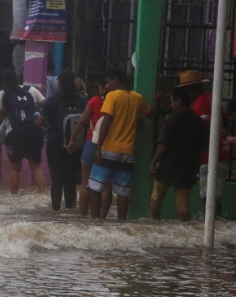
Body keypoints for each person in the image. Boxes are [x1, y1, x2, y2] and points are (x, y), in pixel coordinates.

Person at [88, 69, 151, 220]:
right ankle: (121, 224)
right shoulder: (137, 98)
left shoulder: (112, 96)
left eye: (108, 81)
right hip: (128, 152)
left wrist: (98, 148)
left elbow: (106, 122)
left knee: (94, 187)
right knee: (123, 193)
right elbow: (149, 114)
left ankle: (96, 223)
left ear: (116, 81)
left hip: (109, 149)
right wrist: (156, 101)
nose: (107, 85)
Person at [149, 88, 207, 221]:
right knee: (182, 206)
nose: (170, 105)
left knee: (156, 199)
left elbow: (163, 145)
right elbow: (202, 150)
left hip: (167, 167)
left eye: (172, 102)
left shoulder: (173, 119)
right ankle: (185, 232)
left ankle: (153, 227)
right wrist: (195, 168)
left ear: (179, 102)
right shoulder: (199, 122)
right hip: (187, 170)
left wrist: (153, 163)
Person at [174, 69, 225, 214]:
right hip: (220, 151)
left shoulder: (201, 103)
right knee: (214, 194)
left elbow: (198, 130)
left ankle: (209, 227)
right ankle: (214, 226)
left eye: (185, 89)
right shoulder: (211, 98)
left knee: (208, 194)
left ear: (192, 88)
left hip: (210, 153)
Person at [37, 70, 87, 211]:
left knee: (57, 181)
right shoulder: (82, 101)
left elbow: (40, 121)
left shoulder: (52, 100)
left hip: (55, 145)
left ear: (59, 83)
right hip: (76, 146)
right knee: (71, 181)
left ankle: (56, 212)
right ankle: (70, 211)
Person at [0, 68, 46, 194]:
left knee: (15, 170)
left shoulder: (3, 93)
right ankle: (43, 195)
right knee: (36, 167)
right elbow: (46, 104)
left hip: (14, 133)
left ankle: (14, 198)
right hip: (34, 131)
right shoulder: (31, 90)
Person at [67, 80, 113, 218]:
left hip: (91, 143)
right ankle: (101, 217)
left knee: (85, 182)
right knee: (106, 184)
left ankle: (83, 217)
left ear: (101, 89)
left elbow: (82, 121)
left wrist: (73, 138)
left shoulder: (94, 101)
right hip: (110, 145)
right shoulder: (116, 102)